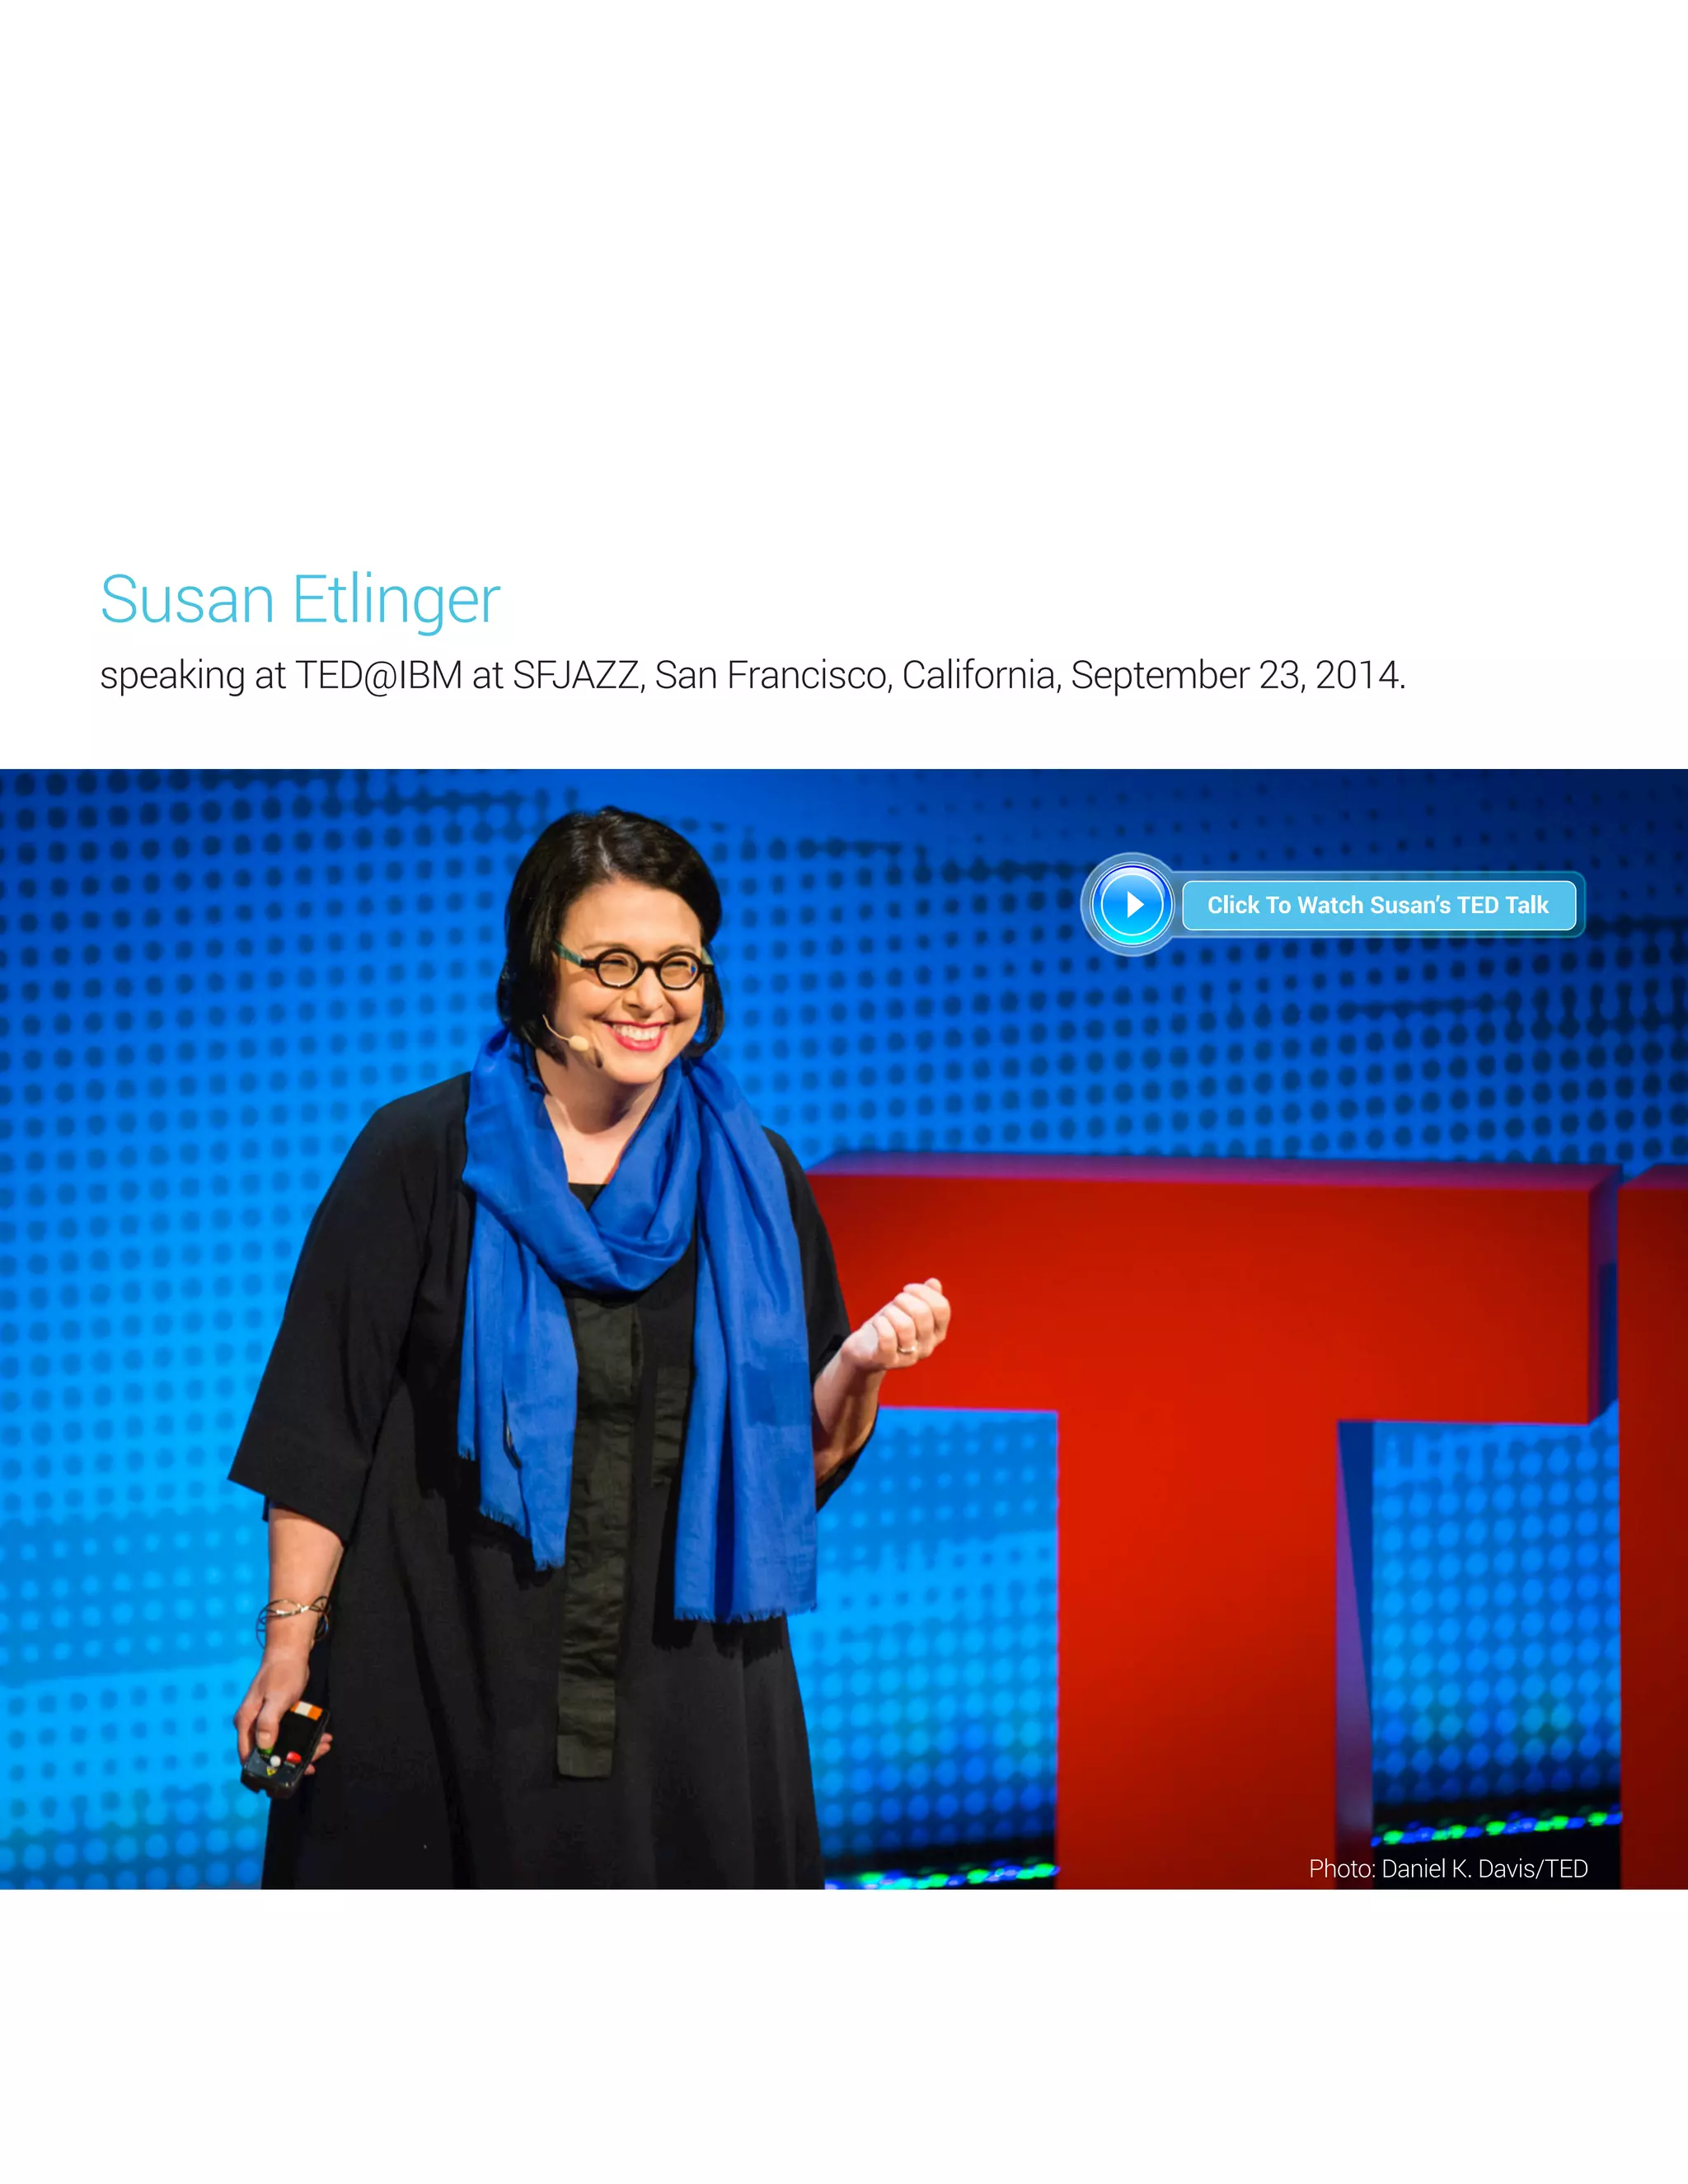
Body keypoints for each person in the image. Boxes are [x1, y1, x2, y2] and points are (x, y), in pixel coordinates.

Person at [228, 806, 950, 1886]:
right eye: (613, 961)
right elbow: (320, 1429)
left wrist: (855, 1372)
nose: (650, 997)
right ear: (540, 967)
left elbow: (794, 1465)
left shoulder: (754, 1179)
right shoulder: (421, 1156)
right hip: (448, 1664)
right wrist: (290, 1639)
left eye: (678, 965)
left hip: (691, 1685)